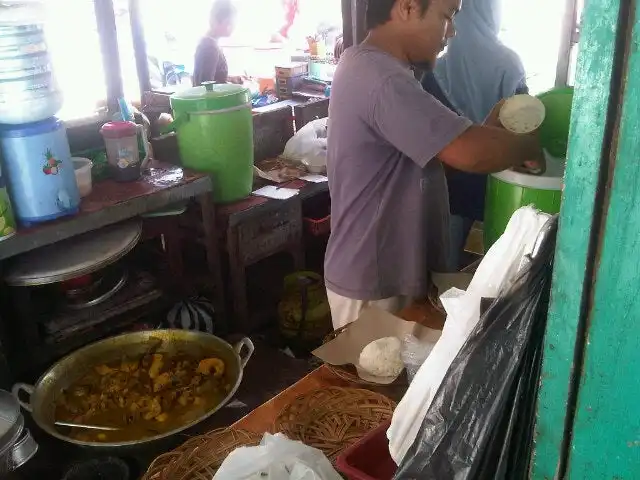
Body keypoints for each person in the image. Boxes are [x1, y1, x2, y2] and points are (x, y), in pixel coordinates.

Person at [324, 0, 543, 329]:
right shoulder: (379, 77)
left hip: (392, 271)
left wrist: (489, 131)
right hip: (374, 282)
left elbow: (436, 158)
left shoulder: (389, 71)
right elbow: (468, 153)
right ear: (409, 8)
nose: (452, 31)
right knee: (371, 379)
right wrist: (527, 144)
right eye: (447, 16)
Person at [432, 0, 528, 269]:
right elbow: (524, 125)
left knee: (445, 273)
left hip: (449, 187)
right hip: (496, 187)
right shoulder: (509, 64)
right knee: (490, 273)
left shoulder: (437, 70)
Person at [192, 0, 236, 86]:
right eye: (230, 22)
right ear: (220, 21)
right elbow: (205, 87)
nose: (232, 27)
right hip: (210, 99)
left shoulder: (210, 43)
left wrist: (230, 79)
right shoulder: (209, 47)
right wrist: (230, 85)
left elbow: (213, 78)